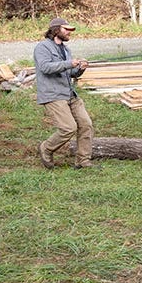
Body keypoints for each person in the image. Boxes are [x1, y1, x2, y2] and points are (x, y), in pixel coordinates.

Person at [35, 17, 94, 169]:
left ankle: (83, 161)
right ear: (56, 30)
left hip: (70, 94)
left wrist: (80, 68)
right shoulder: (42, 47)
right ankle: (46, 148)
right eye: (66, 29)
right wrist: (68, 63)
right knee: (68, 128)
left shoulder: (66, 50)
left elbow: (72, 73)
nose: (69, 32)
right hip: (53, 95)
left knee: (86, 124)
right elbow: (45, 68)